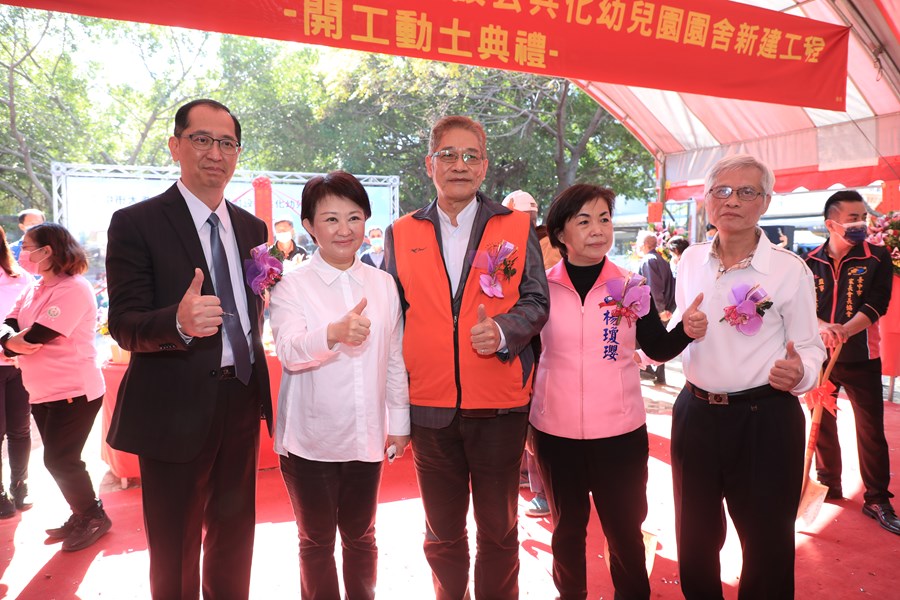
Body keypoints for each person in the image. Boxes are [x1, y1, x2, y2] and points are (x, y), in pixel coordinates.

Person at [105, 99, 272, 599]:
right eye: (201, 139)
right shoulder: (137, 223)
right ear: (176, 146)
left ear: (237, 153)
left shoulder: (251, 229)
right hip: (173, 407)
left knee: (235, 533)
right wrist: (176, 323)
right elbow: (125, 324)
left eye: (227, 143)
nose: (214, 153)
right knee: (176, 546)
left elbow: (253, 306)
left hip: (239, 399)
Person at [384, 115, 549, 599]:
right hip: (430, 408)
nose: (460, 165)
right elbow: (394, 317)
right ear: (429, 164)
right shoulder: (400, 233)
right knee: (441, 532)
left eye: (471, 155)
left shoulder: (516, 227)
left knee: (499, 529)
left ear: (485, 166)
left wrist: (502, 330)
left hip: (499, 405)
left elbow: (537, 302)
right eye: (449, 155)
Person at [530, 183, 708, 599]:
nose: (598, 229)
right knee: (567, 530)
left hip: (620, 433)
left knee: (625, 533)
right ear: (560, 234)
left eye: (605, 219)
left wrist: (686, 329)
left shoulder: (631, 284)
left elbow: (658, 348)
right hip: (555, 434)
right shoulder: (539, 289)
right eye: (585, 220)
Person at [670, 154, 825, 598]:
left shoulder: (788, 270)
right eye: (721, 190)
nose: (731, 200)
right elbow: (680, 324)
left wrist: (800, 373)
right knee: (694, 540)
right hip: (696, 413)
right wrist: (675, 332)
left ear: (766, 202)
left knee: (768, 544)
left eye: (746, 192)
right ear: (705, 201)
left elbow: (810, 348)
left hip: (765, 418)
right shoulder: (690, 260)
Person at [269, 171, 409, 599]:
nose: (344, 230)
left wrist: (399, 423)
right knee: (315, 543)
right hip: (309, 441)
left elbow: (393, 357)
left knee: (362, 538)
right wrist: (333, 333)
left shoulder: (383, 284)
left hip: (365, 436)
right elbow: (290, 352)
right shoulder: (291, 286)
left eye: (353, 217)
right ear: (309, 226)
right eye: (330, 219)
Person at [0, 222, 109, 551]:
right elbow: (10, 322)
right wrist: (9, 341)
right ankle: (83, 512)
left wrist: (10, 342)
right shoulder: (36, 286)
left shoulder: (73, 288)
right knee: (62, 459)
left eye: (28, 245)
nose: (22, 250)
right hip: (44, 391)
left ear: (47, 251)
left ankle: (93, 516)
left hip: (74, 391)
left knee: (61, 460)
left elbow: (38, 335)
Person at [804, 190, 899, 534]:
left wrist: (843, 329)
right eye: (854, 218)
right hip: (819, 356)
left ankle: (877, 498)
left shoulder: (877, 257)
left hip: (861, 357)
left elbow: (877, 304)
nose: (862, 224)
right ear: (831, 224)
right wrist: (823, 329)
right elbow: (800, 309)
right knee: (821, 422)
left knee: (871, 429)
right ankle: (828, 484)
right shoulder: (810, 260)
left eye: (864, 217)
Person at [0, 226, 33, 518]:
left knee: (20, 430)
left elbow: (31, 313)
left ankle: (20, 485)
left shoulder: (20, 276)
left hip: (19, 363)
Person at [637, 230, 676, 384]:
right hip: (665, 309)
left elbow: (654, 288)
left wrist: (660, 310)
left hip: (657, 310)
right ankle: (659, 376)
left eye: (640, 243)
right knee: (661, 342)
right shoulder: (661, 259)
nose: (638, 246)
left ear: (646, 244)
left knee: (650, 341)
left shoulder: (649, 260)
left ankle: (647, 371)